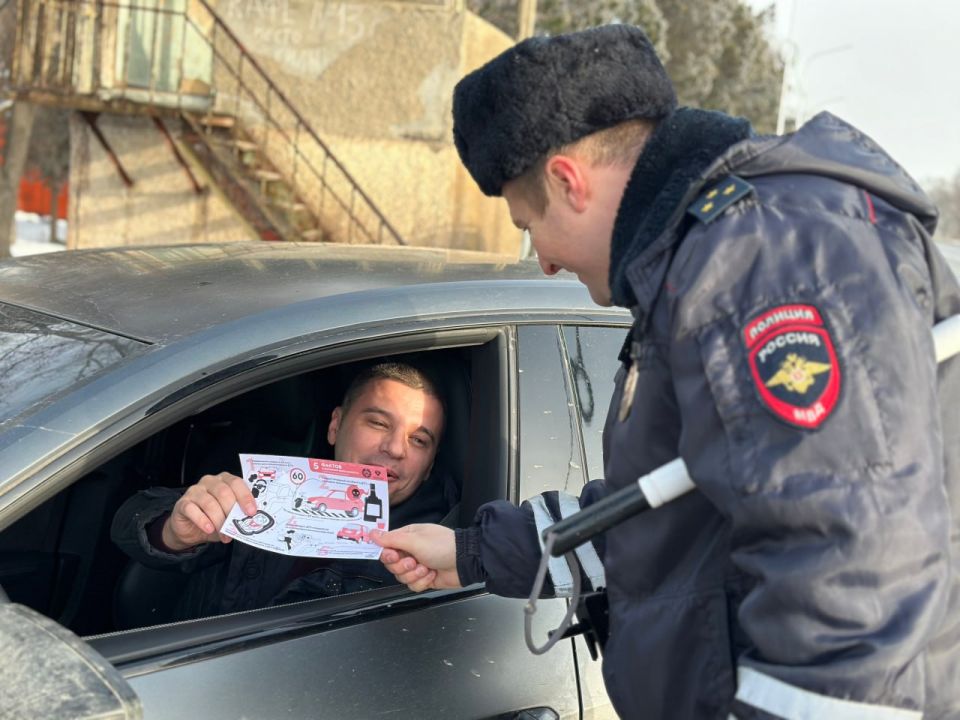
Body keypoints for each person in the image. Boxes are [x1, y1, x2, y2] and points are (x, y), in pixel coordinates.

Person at [373, 24, 960, 719]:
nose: (545, 262)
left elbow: (851, 583)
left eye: (529, 226)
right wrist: (473, 552)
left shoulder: (766, 262)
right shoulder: (704, 263)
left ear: (568, 181)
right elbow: (667, 504)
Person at [112, 361, 458, 621]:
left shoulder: (435, 557)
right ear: (335, 425)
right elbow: (128, 522)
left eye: (419, 440)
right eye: (379, 423)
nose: (395, 449)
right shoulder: (271, 487)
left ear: (429, 465)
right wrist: (173, 533)